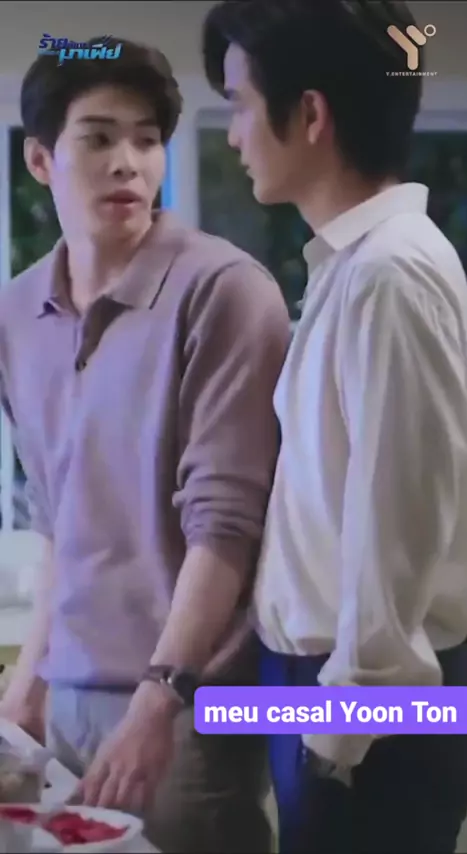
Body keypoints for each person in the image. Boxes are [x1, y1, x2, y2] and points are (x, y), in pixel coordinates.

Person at [0, 35, 291, 853]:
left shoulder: (224, 291)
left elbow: (226, 525)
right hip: (64, 696)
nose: (128, 162)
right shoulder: (17, 314)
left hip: (188, 704)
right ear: (39, 160)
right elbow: (58, 520)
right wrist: (28, 682)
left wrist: (160, 702)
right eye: (98, 138)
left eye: (146, 139)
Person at [202, 1, 467, 852]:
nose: (233, 135)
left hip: (368, 709)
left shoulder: (391, 273)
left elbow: (399, 519)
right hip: (333, 687)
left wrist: (334, 738)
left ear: (311, 114)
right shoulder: (354, 265)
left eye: (241, 104)